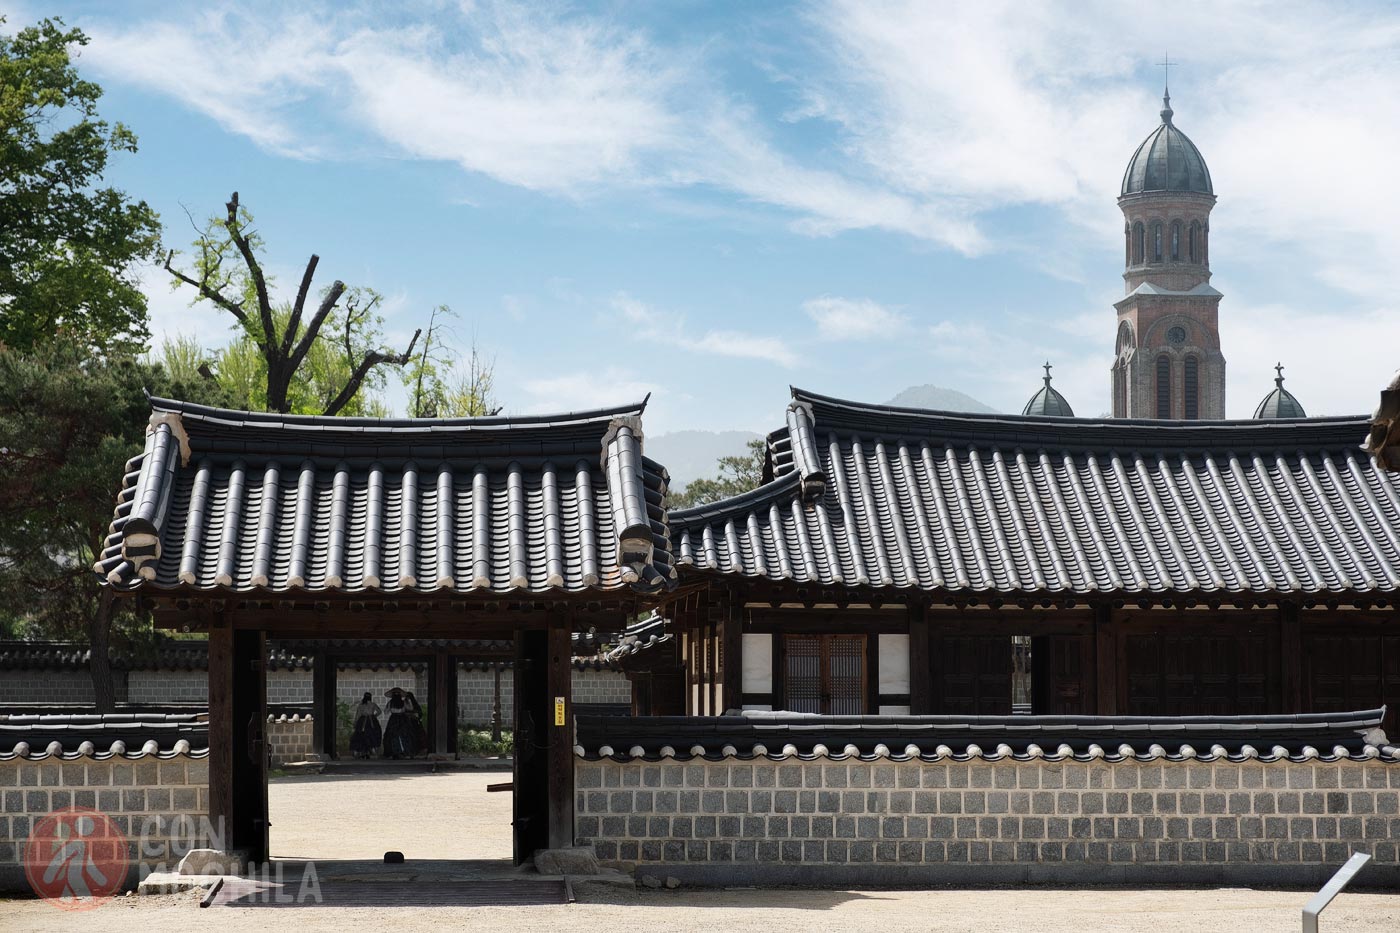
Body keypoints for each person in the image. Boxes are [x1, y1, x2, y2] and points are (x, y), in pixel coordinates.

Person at [382, 687, 418, 759]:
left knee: (392, 735)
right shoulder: (403, 702)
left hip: (393, 719)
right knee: (404, 735)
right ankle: (404, 752)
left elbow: (385, 712)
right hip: (402, 719)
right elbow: (410, 708)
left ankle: (394, 753)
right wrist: (408, 702)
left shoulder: (390, 703)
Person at [348, 692, 382, 759]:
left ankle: (363, 752)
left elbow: (358, 715)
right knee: (371, 735)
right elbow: (379, 711)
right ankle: (369, 752)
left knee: (361, 736)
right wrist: (374, 716)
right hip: (371, 721)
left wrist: (355, 723)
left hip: (362, 721)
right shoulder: (373, 704)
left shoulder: (361, 705)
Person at [405, 690, 429, 757]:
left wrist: (414, 714)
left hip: (414, 722)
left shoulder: (414, 703)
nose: (408, 698)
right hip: (407, 721)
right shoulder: (404, 703)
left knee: (416, 736)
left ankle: (417, 751)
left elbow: (419, 712)